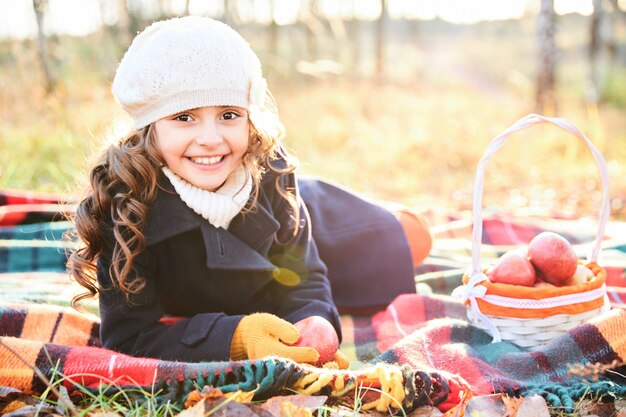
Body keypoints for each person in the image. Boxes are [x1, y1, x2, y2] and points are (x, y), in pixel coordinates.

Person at [68, 16, 431, 366]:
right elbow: (128, 336)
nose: (210, 139)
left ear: (249, 119)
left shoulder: (271, 171)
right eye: (184, 117)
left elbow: (307, 280)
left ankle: (394, 223)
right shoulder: (123, 200)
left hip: (305, 224)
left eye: (229, 115)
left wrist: (315, 318)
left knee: (409, 238)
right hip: (235, 279)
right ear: (149, 129)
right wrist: (235, 338)